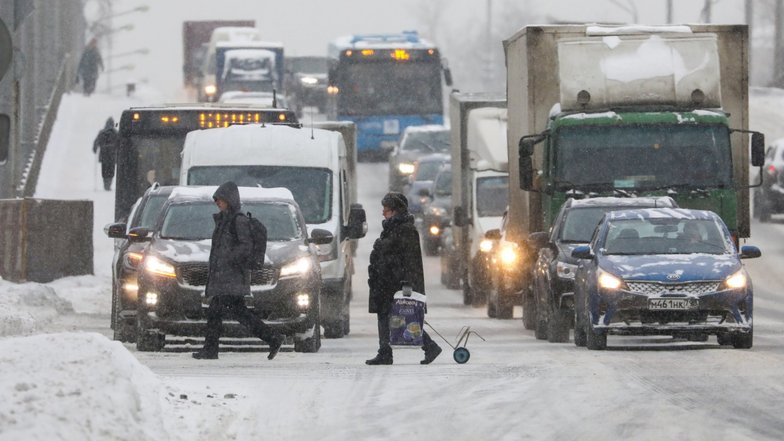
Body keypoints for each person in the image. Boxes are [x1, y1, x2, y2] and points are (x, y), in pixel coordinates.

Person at [193, 181, 283, 360]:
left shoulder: (238, 220)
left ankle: (211, 350)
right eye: (216, 200)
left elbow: (245, 246)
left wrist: (229, 259)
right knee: (236, 313)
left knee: (219, 311)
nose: (217, 202)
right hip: (226, 277)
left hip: (232, 277)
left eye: (220, 199)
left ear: (230, 200)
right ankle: (272, 338)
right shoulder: (224, 220)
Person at [366, 191, 442, 365]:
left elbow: (411, 259)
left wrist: (407, 283)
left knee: (404, 317)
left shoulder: (406, 230)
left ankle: (428, 347)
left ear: (395, 210)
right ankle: (386, 351)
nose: (383, 212)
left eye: (386, 209)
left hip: (395, 282)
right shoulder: (392, 228)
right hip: (386, 282)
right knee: (389, 316)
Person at [92, 117, 117, 191]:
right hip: (112, 155)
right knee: (111, 170)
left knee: (105, 170)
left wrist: (95, 149)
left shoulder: (102, 132)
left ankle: (105, 184)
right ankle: (108, 184)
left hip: (104, 155)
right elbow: (120, 143)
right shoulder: (115, 132)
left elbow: (96, 142)